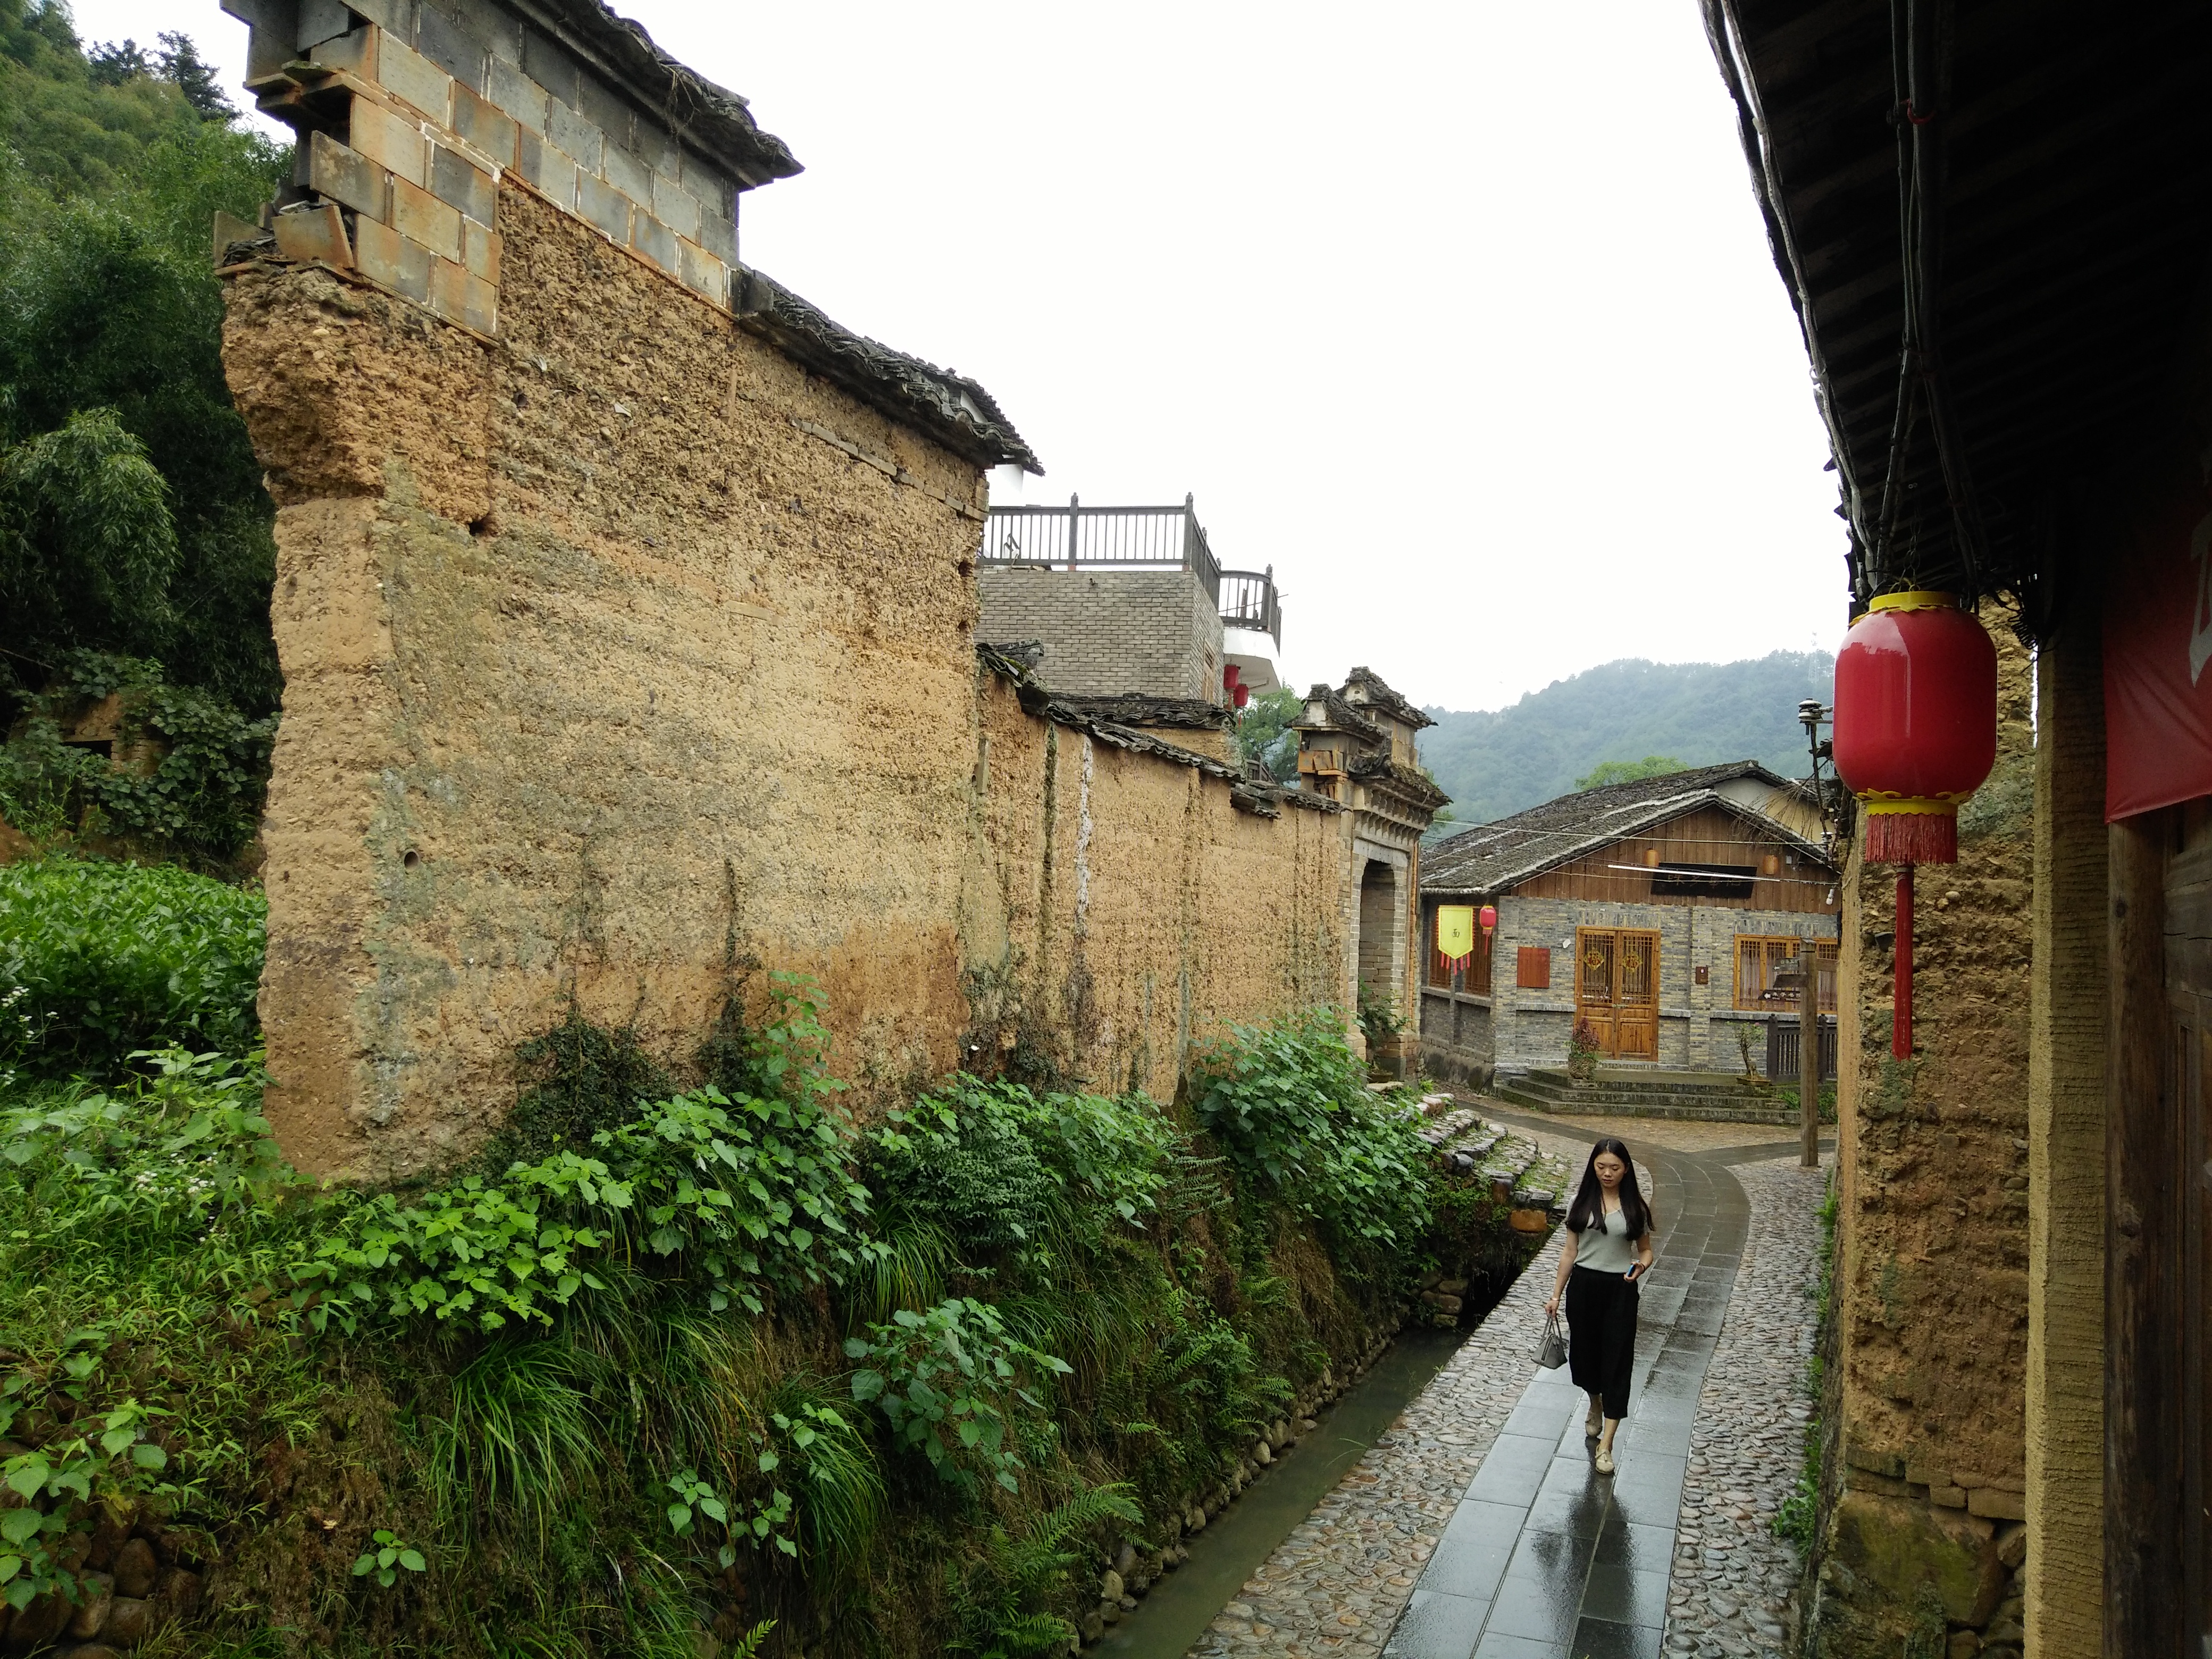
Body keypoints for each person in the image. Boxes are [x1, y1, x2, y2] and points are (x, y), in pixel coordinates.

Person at [1543, 1136, 1655, 1474]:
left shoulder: (1636, 1207)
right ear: (1593, 1167)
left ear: (1626, 1169)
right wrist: (1556, 1294)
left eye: (1615, 1168)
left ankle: (1606, 1446)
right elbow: (1570, 1252)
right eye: (1601, 1167)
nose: (1608, 1173)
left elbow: (1646, 1250)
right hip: (1584, 1288)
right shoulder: (1581, 1203)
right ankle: (1594, 1403)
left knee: (1618, 1362)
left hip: (1619, 1291)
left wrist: (1642, 1266)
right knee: (1585, 1358)